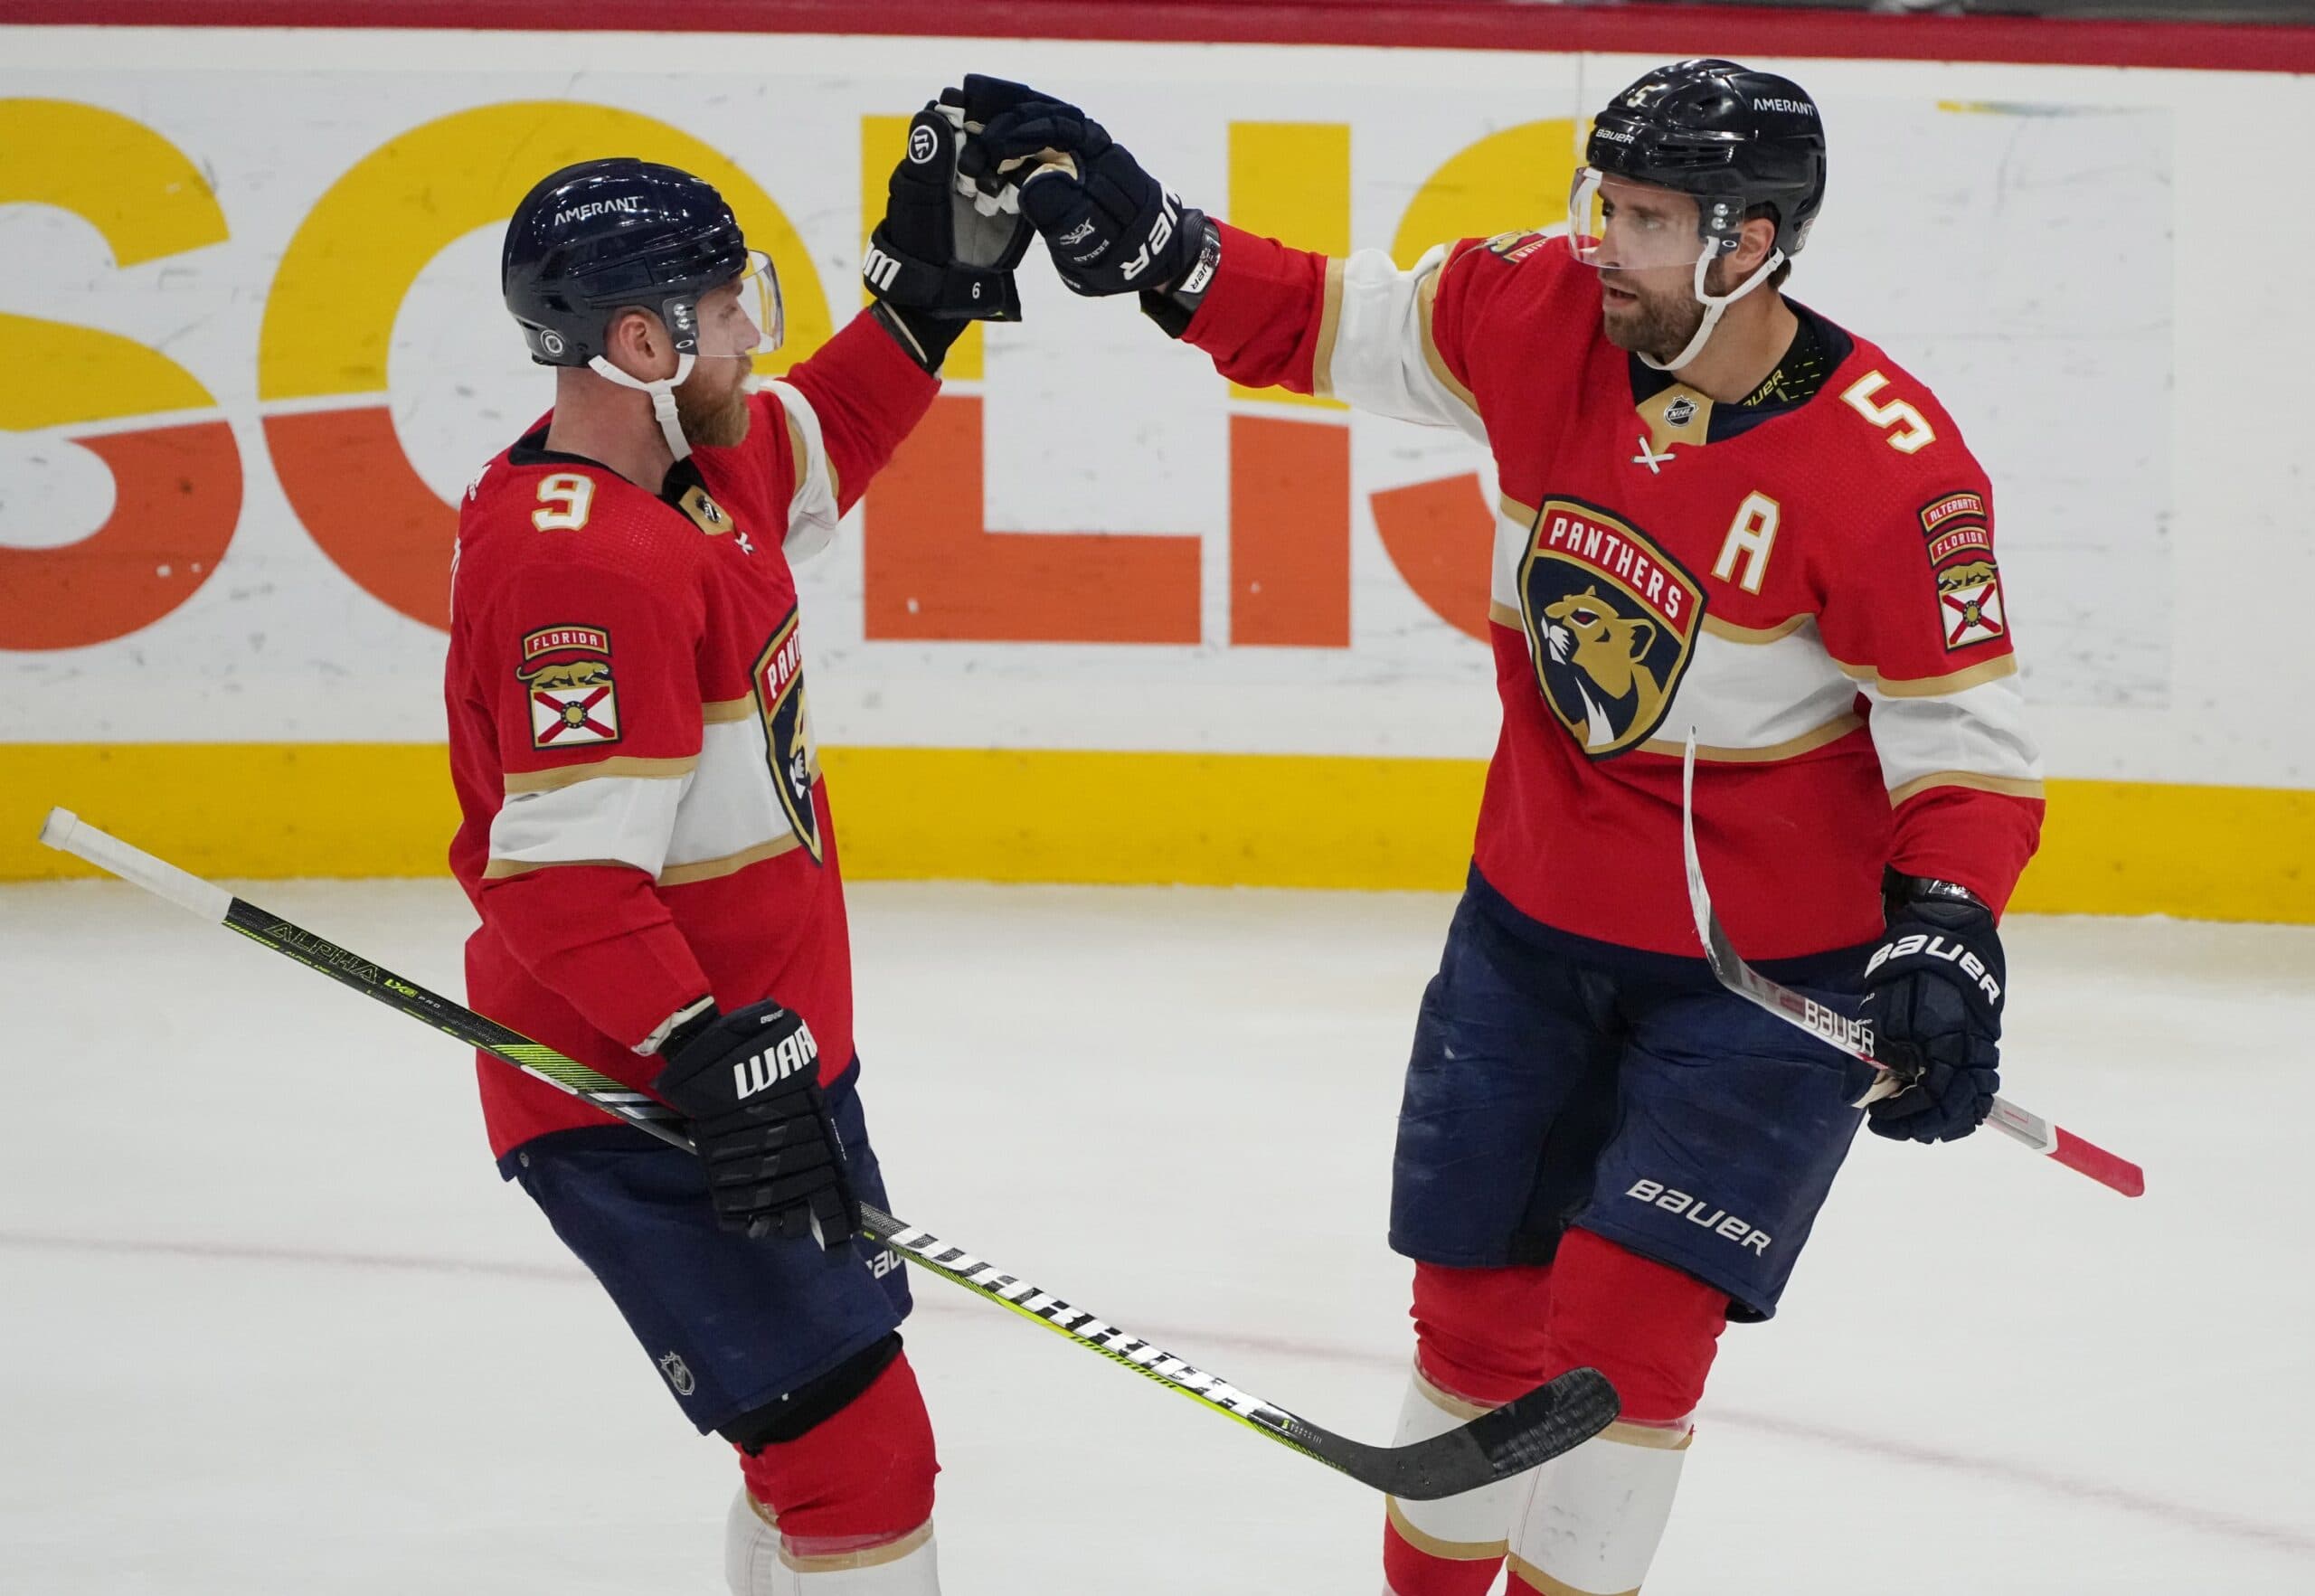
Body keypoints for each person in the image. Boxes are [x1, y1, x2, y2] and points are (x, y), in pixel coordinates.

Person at [959, 61, 2044, 1592]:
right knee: (1472, 1325)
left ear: (1752, 244)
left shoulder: (1891, 471)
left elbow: (1966, 741)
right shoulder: (1541, 308)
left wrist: (1948, 931)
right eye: (1606, 202)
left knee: (1622, 1351)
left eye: (1651, 218)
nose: (1607, 239)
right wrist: (1154, 240)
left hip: (1765, 981)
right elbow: (1323, 321)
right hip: (1530, 930)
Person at [442, 98, 1028, 1594]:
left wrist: (928, 303)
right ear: (639, 346)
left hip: (753, 1060)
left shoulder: (683, 475)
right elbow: (563, 879)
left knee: (811, 1460)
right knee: (857, 1457)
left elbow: (821, 433)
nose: (749, 338)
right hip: (646, 1093)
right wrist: (701, 1044)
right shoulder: (587, 567)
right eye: (722, 313)